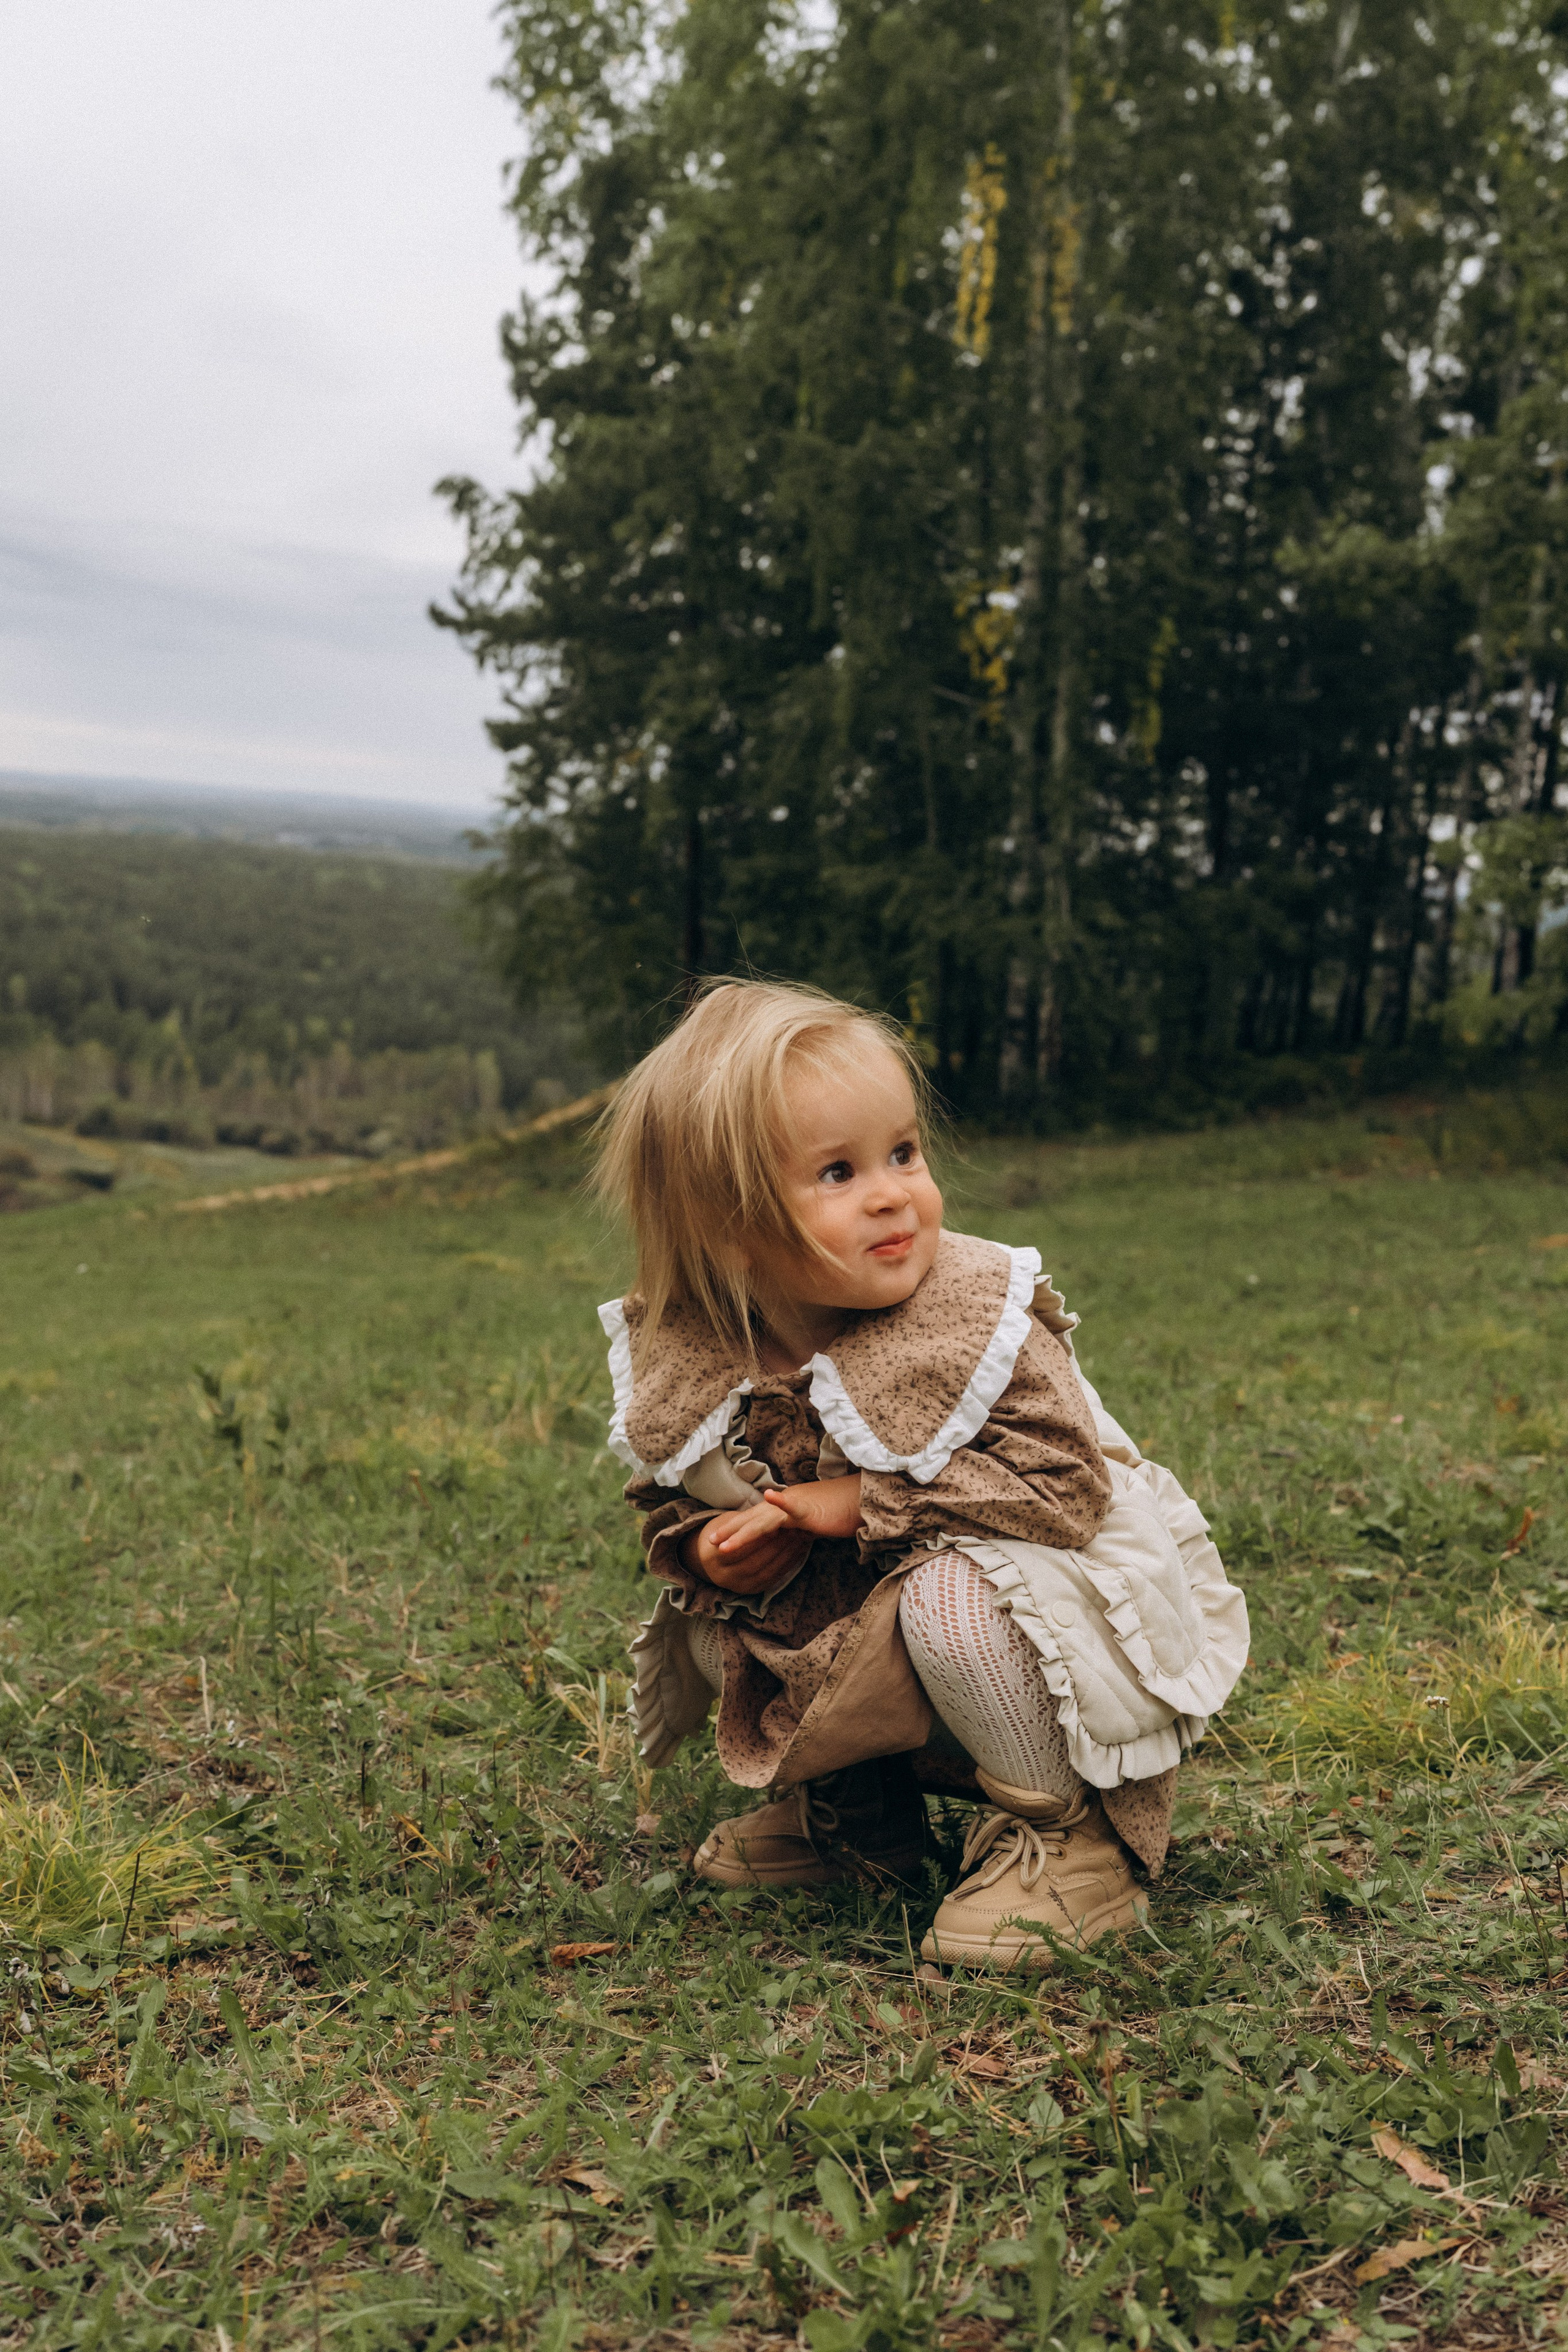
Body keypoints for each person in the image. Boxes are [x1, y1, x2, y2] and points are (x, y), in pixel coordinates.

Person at [594, 979, 1248, 1970]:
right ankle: (860, 1818)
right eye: (838, 1172)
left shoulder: (975, 1317)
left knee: (948, 1597)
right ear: (729, 1231)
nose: (894, 1191)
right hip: (883, 1655)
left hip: (1056, 1612)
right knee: (708, 1617)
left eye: (903, 1153)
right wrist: (709, 1551)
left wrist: (857, 1503)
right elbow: (668, 1491)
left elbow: (1067, 1488)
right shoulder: (709, 1348)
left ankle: (1067, 1836)